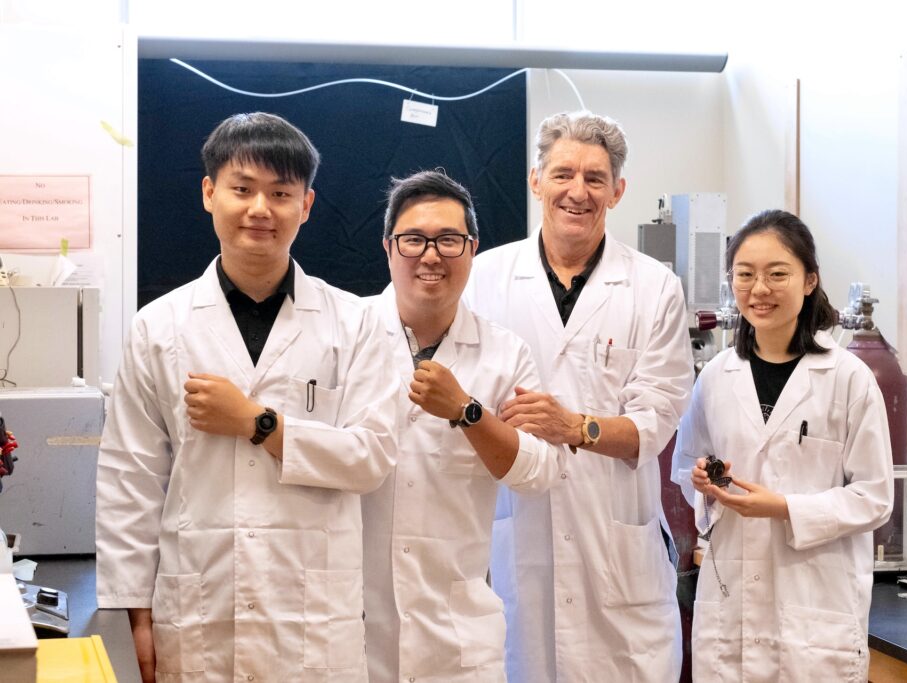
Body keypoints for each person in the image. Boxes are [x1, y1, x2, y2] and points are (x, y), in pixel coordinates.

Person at [96, 112, 401, 683]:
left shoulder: (356, 323)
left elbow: (372, 457)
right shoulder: (159, 327)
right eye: (242, 189)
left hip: (312, 615)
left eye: (281, 193)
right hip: (199, 607)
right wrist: (133, 613)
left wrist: (258, 422)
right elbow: (130, 480)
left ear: (306, 205)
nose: (261, 209)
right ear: (210, 193)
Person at [464, 111, 693, 682]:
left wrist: (576, 428)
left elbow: (656, 420)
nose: (578, 191)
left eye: (595, 178)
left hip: (615, 553)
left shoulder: (654, 288)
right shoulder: (483, 278)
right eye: (563, 173)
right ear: (535, 180)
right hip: (514, 535)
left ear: (617, 191)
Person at [671, 209, 894, 682]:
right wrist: (705, 483)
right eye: (745, 275)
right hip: (731, 616)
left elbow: (875, 497)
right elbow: (690, 468)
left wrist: (785, 508)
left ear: (810, 280)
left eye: (778, 274)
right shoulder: (715, 377)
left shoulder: (848, 378)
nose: (759, 289)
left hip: (815, 615)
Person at [362, 170, 566, 683]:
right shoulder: (346, 335)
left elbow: (539, 471)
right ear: (389, 247)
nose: (431, 255)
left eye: (449, 240)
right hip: (356, 627)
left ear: (472, 249)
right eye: (414, 239)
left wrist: (467, 411)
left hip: (456, 634)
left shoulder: (503, 353)